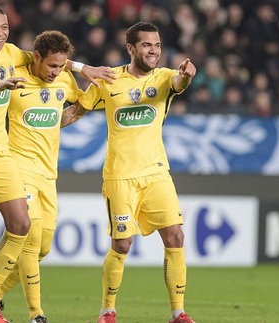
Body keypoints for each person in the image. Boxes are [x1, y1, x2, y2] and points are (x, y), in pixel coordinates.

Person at [0, 4, 114, 323]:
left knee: (22, 226)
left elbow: (49, 56)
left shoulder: (12, 55)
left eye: (4, 27)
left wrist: (81, 68)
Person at [61, 21, 197, 323]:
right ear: (131, 48)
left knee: (175, 236)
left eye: (157, 45)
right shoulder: (108, 80)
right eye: (147, 45)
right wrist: (45, 122)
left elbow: (179, 83)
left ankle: (178, 313)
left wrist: (186, 76)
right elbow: (77, 111)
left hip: (157, 174)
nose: (154, 51)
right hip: (120, 176)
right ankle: (107, 310)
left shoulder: (164, 78)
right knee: (122, 244)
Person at [0, 30, 85, 323]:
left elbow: (69, 111)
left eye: (61, 66)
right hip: (17, 167)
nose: (56, 72)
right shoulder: (14, 77)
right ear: (37, 57)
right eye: (52, 66)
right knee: (31, 237)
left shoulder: (65, 80)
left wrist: (68, 116)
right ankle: (37, 314)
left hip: (47, 173)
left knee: (43, 247)